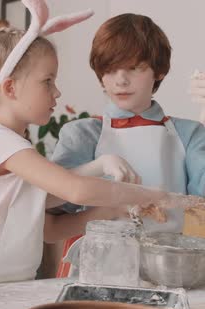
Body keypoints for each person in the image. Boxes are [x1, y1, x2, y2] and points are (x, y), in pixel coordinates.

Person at [0, 1, 179, 288]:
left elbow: (50, 225)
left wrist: (109, 197)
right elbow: (72, 189)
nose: (57, 91)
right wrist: (146, 194)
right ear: (11, 87)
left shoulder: (16, 146)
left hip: (10, 285)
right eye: (47, 81)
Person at [52, 14, 205, 277]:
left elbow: (201, 198)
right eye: (110, 69)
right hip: (98, 269)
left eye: (134, 67)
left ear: (159, 70)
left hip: (167, 271)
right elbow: (53, 206)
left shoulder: (189, 134)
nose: (120, 80)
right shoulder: (83, 133)